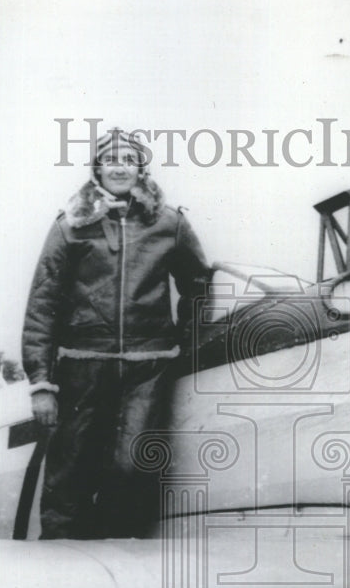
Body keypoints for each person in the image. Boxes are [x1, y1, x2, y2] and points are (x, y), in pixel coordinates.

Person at [22, 128, 210, 540]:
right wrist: (41, 381)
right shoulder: (70, 226)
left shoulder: (170, 224)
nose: (120, 166)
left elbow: (198, 288)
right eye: (111, 159)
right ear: (97, 169)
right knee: (69, 474)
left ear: (141, 169)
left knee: (132, 469)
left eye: (129, 159)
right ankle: (58, 574)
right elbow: (42, 305)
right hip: (81, 370)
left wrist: (183, 342)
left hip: (146, 371)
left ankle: (118, 572)